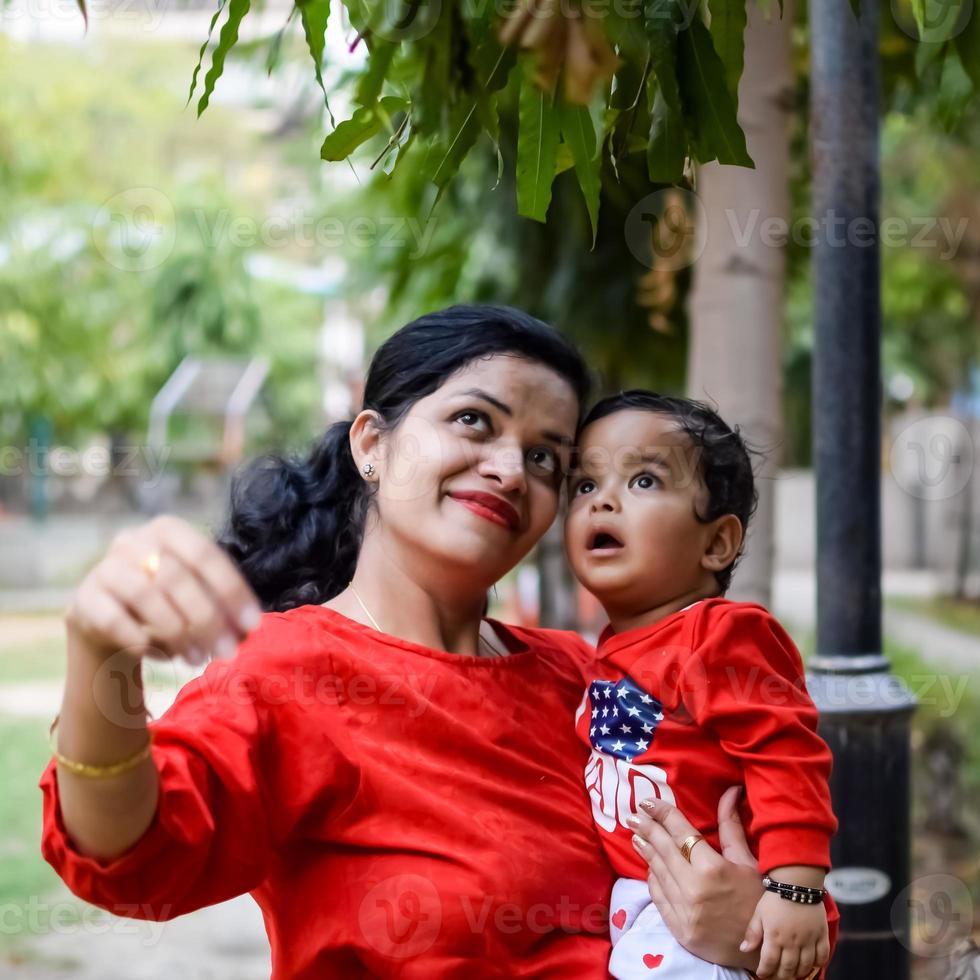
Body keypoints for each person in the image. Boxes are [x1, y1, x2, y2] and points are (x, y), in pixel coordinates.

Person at [40, 305, 785, 977]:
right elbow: (131, 856)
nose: (506, 469)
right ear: (372, 443)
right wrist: (99, 652)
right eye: (473, 421)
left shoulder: (588, 678)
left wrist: (745, 926)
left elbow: (765, 858)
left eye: (545, 458)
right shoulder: (286, 671)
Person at [563, 391, 839, 980]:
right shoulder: (614, 649)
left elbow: (788, 756)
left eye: (642, 481)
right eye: (584, 486)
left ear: (716, 543)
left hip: (718, 906)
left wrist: (796, 892)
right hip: (645, 903)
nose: (602, 501)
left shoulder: (722, 635)